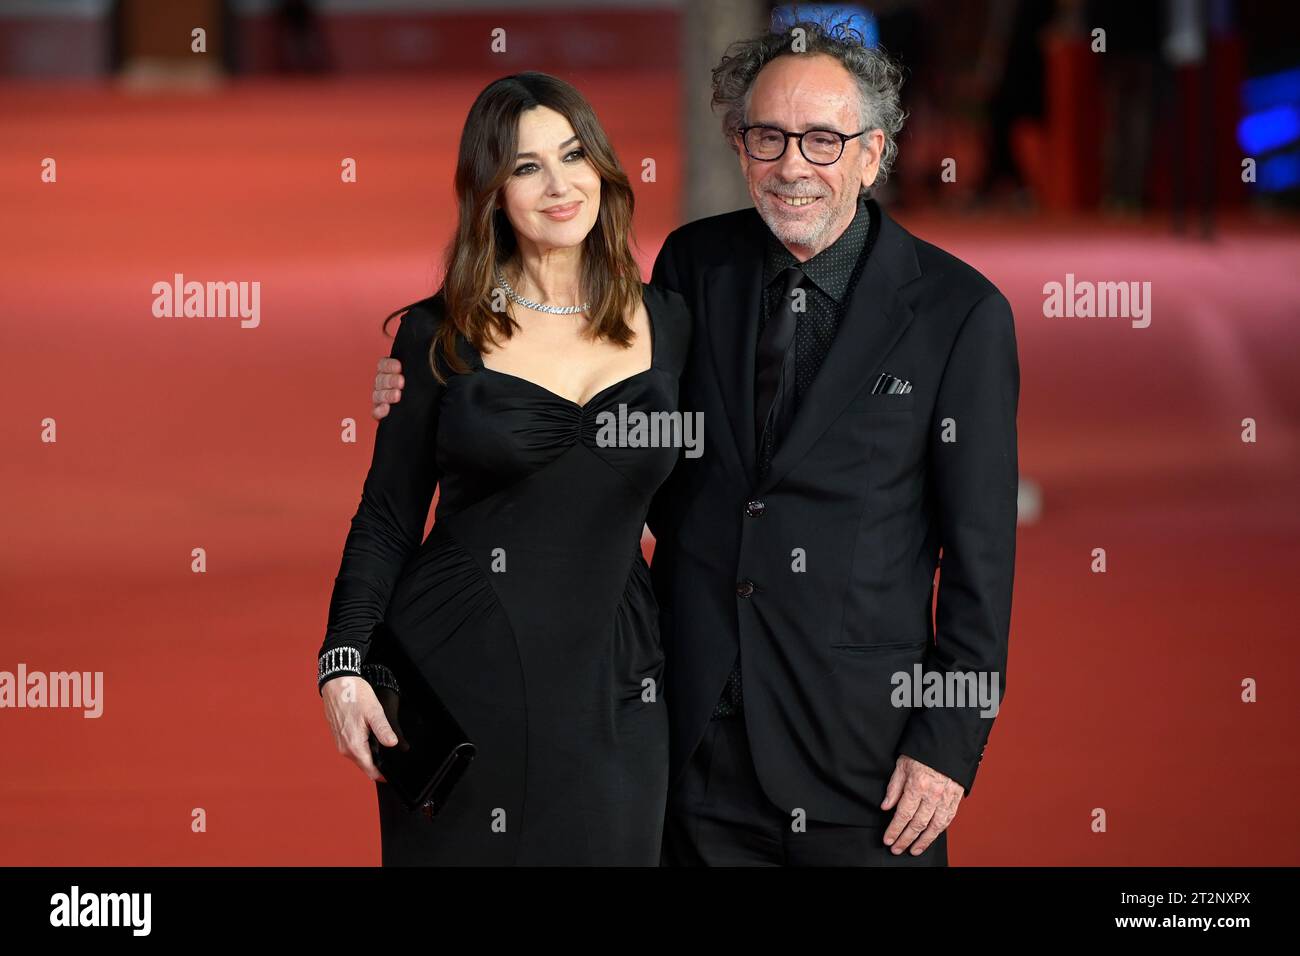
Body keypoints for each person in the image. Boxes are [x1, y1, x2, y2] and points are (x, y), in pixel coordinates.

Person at [374, 19, 1019, 866]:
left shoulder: (960, 314)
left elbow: (980, 560)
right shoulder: (693, 269)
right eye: (768, 136)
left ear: (873, 154)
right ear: (741, 147)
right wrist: (442, 386)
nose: (792, 165)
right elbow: (597, 409)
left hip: (864, 760)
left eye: (823, 141)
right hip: (685, 748)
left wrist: (948, 743)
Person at [319, 71, 691, 865]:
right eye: (527, 167)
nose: (560, 185)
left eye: (574, 155)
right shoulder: (439, 333)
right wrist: (342, 662)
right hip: (458, 675)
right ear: (491, 193)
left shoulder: (671, 321)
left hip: (618, 684)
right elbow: (387, 516)